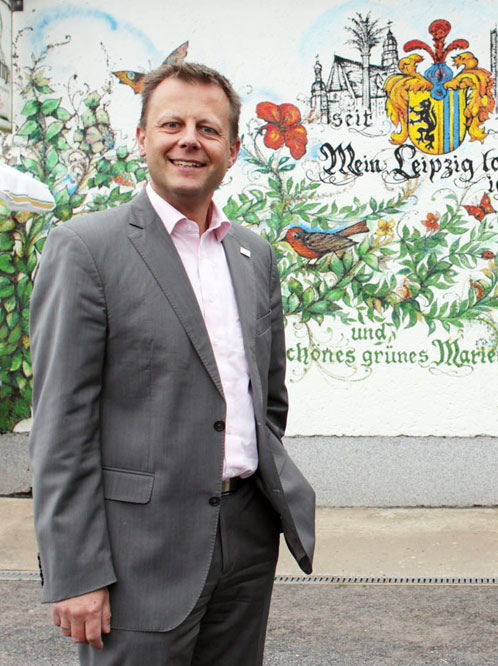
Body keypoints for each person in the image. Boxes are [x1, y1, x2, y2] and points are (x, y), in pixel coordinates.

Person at [29, 62, 316, 665]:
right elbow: (60, 427)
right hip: (138, 552)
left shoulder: (253, 254)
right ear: (142, 138)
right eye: (172, 125)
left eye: (208, 129)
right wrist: (76, 569)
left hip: (245, 538)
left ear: (232, 150)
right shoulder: (86, 249)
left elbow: (266, 399)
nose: (190, 140)